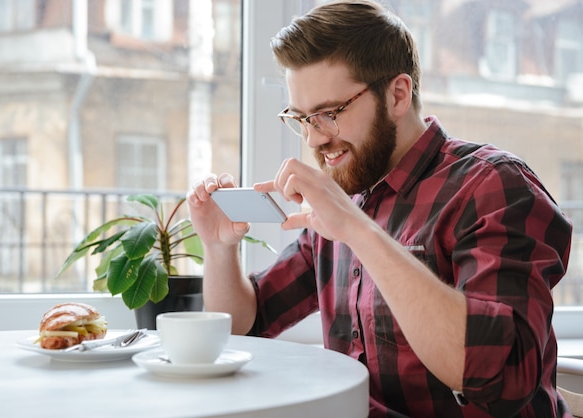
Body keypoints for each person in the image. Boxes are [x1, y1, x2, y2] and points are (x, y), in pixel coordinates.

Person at [186, 1, 573, 416]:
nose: (314, 139)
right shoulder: (348, 197)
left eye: (329, 114)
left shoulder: (493, 186)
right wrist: (218, 247)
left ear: (398, 95)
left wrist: (358, 229)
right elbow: (247, 320)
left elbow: (503, 375)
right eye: (302, 118)